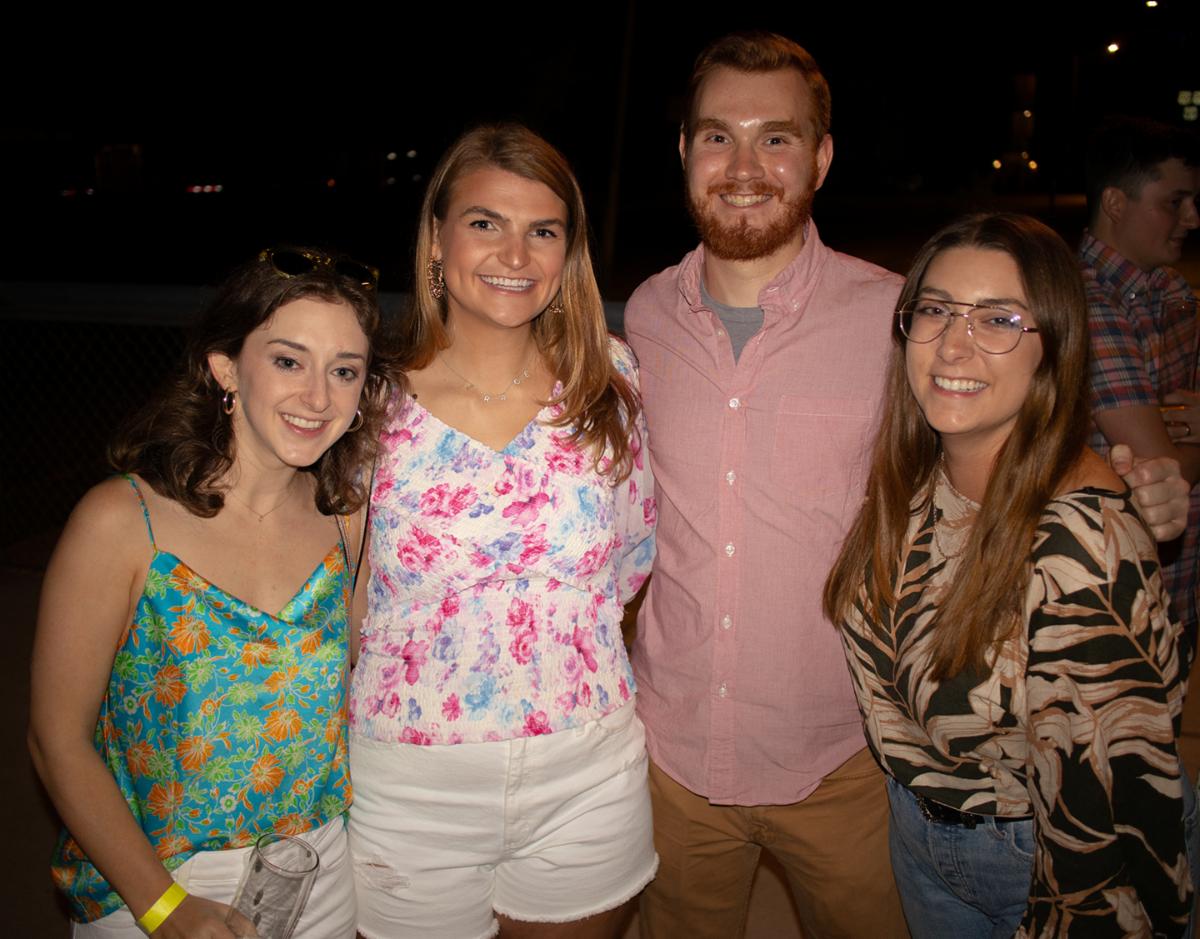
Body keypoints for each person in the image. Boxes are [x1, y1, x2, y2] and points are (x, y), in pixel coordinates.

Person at [624, 30, 1194, 939]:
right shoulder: (646, 317)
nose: (744, 166)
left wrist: (1127, 482)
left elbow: (1011, 422)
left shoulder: (900, 318)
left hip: (848, 759)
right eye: (718, 136)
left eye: (776, 138)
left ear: (821, 157)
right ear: (685, 150)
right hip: (673, 756)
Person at [823, 212, 1195, 937]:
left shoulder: (1082, 542)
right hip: (920, 834)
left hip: (1028, 855)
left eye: (999, 319)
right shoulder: (920, 478)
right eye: (935, 310)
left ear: (1053, 347)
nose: (953, 344)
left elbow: (1110, 819)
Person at [29, 247, 393, 939]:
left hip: (320, 874)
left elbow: (365, 678)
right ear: (225, 367)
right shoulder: (122, 522)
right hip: (154, 882)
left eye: (344, 371)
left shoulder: (349, 520)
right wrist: (164, 907)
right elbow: (56, 740)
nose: (318, 397)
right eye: (288, 361)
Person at [348, 123, 656, 939]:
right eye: (485, 222)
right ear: (436, 238)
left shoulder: (609, 378)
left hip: (587, 775)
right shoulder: (369, 400)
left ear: (567, 253)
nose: (515, 254)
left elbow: (631, 555)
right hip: (409, 784)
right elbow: (342, 595)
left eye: (542, 231)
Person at [1081, 116, 1200, 640]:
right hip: (1120, 600)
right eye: (1174, 202)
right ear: (1115, 203)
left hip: (1176, 588)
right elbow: (1159, 469)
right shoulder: (1086, 302)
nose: (1192, 218)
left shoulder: (1170, 291)